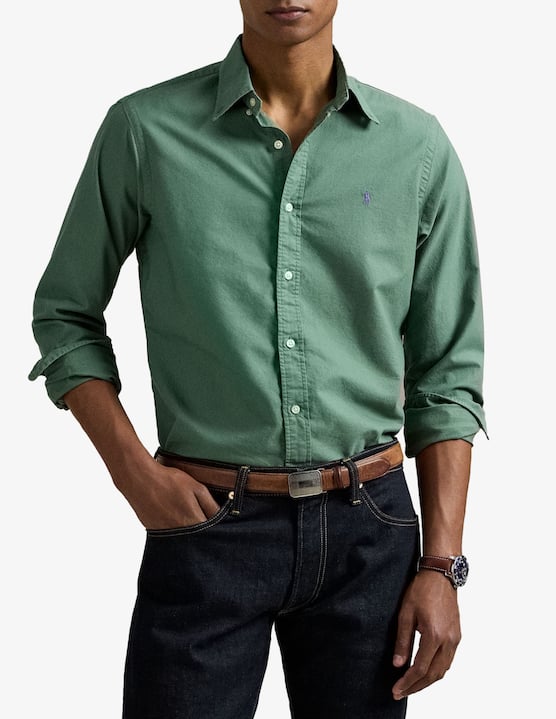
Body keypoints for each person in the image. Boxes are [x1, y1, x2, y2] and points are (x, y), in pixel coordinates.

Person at [29, 1, 487, 717]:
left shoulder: (416, 148)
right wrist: (133, 474)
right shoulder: (145, 131)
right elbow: (65, 314)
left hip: (370, 534)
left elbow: (448, 370)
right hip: (205, 525)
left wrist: (442, 563)